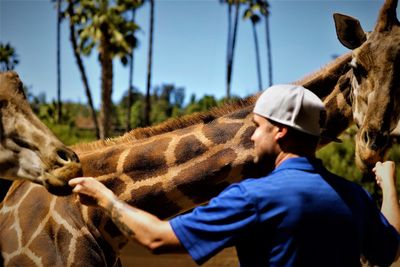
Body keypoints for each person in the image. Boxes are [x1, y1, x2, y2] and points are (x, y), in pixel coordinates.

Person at [69, 84, 400, 266]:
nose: (253, 137)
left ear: (280, 133)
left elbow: (158, 238)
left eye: (258, 128)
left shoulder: (254, 196)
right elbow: (390, 250)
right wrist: (389, 185)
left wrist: (106, 198)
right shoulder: (352, 197)